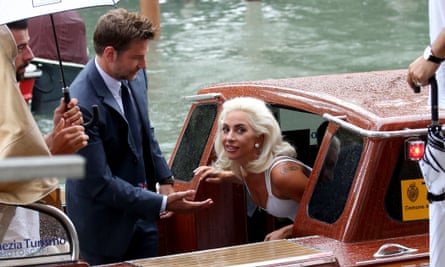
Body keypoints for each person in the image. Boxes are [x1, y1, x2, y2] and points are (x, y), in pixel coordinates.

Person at [65, 8, 213, 265]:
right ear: (110, 54)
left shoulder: (135, 74)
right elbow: (100, 183)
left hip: (142, 219)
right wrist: (163, 203)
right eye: (137, 57)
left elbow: (145, 128)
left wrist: (165, 177)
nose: (144, 65)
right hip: (103, 230)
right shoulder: (80, 104)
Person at [194, 96, 310, 241]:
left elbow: (330, 213)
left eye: (240, 130)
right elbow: (247, 177)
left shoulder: (283, 175)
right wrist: (224, 175)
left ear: (259, 138)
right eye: (226, 129)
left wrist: (288, 231)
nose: (229, 137)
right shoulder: (245, 166)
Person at [6, 19, 89, 155]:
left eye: (28, 45)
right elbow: (11, 174)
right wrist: (56, 153)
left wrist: (55, 135)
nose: (30, 55)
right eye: (20, 48)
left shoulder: (11, 97)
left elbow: (21, 155)